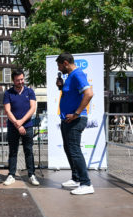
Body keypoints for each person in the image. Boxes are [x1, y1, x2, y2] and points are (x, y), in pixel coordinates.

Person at [56, 52, 94, 195]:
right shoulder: (70, 77)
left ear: (65, 63)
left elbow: (89, 94)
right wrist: (61, 87)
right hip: (67, 119)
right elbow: (71, 95)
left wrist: (77, 113)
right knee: (69, 149)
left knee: (74, 150)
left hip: (76, 120)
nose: (59, 69)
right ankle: (76, 178)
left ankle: (86, 183)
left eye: (60, 65)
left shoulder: (78, 74)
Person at [3, 69, 38, 186]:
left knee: (29, 151)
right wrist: (17, 125)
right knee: (13, 151)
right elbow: (7, 111)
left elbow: (32, 109)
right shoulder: (8, 93)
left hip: (27, 126)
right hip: (13, 127)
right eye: (18, 80)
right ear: (13, 80)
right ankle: (11, 175)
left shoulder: (30, 91)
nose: (21, 82)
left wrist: (21, 122)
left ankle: (31, 175)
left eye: (22, 79)